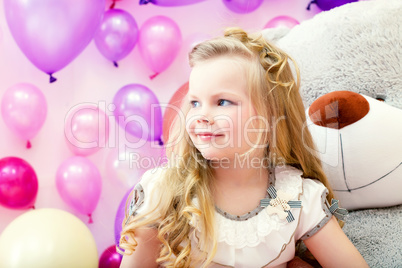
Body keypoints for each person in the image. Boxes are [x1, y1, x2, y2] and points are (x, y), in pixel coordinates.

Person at [119, 27, 368, 268]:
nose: (201, 115)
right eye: (195, 102)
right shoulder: (164, 192)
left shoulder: (295, 199)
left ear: (270, 115)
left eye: (223, 101)